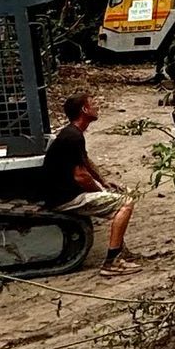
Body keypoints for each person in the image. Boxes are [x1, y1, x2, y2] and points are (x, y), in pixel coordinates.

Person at [40, 91, 135, 264]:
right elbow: (81, 176)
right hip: (65, 198)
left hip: (62, 193)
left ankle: (122, 252)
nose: (97, 107)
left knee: (119, 197)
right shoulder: (73, 137)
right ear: (84, 109)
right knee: (125, 202)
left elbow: (85, 160)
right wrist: (102, 191)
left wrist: (104, 182)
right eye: (93, 104)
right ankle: (113, 259)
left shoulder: (72, 133)